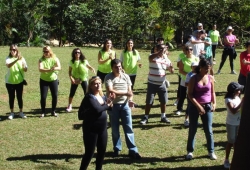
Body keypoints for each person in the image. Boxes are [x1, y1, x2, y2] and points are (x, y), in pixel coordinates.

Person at [105, 59, 141, 159]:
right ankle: (117, 149)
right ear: (112, 67)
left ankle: (133, 150)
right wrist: (125, 94)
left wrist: (130, 100)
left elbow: (130, 91)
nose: (118, 68)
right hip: (114, 106)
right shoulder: (109, 77)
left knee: (128, 128)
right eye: (116, 67)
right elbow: (110, 90)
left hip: (125, 106)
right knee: (115, 129)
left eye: (120, 66)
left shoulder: (126, 76)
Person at [79, 76, 113, 170]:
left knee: (102, 151)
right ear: (91, 86)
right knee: (90, 153)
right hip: (91, 129)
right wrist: (107, 105)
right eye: (95, 84)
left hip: (102, 129)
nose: (98, 86)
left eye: (99, 83)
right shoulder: (89, 97)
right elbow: (97, 109)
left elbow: (109, 108)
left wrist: (110, 102)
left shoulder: (102, 96)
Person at [186, 59, 217, 160]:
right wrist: (198, 106)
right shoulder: (193, 78)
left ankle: (211, 151)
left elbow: (212, 92)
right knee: (193, 129)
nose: (207, 70)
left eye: (209, 68)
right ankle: (190, 151)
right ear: (200, 67)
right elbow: (189, 94)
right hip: (194, 107)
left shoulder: (210, 78)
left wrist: (214, 103)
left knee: (208, 130)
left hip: (207, 106)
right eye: (205, 68)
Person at [140, 44, 174, 125]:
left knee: (163, 101)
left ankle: (163, 116)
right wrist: (159, 52)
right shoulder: (152, 56)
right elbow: (150, 58)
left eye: (163, 49)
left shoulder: (166, 59)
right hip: (152, 84)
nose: (162, 50)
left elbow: (171, 71)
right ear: (156, 49)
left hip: (162, 84)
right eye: (160, 49)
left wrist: (171, 68)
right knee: (149, 101)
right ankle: (146, 117)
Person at [66, 48, 95, 112]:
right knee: (72, 92)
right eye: (75, 52)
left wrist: (92, 68)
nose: (77, 54)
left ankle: (87, 105)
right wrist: (71, 78)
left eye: (78, 52)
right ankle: (69, 105)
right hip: (75, 78)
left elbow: (88, 66)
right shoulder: (72, 62)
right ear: (73, 54)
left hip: (83, 78)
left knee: (86, 92)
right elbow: (70, 71)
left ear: (80, 53)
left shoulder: (84, 60)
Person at [223, 82, 244, 169]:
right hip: (231, 124)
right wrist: (242, 102)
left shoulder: (237, 97)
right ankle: (226, 159)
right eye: (238, 90)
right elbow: (234, 111)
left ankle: (236, 159)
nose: (240, 91)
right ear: (234, 91)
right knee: (231, 142)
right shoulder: (228, 100)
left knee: (237, 142)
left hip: (239, 123)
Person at [5, 44, 28, 120]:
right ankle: (12, 113)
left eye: (14, 50)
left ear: (17, 50)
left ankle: (21, 112)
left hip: (19, 82)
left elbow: (25, 69)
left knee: (19, 97)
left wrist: (25, 68)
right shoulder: (8, 58)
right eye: (11, 50)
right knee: (11, 97)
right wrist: (16, 60)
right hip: (10, 82)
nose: (12, 51)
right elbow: (8, 65)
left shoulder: (22, 58)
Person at [38, 46, 61, 118]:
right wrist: (50, 70)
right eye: (44, 52)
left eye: (47, 51)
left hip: (53, 80)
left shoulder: (55, 58)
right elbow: (41, 69)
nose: (45, 53)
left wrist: (54, 68)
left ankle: (53, 111)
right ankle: (43, 112)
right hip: (43, 80)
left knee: (54, 96)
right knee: (43, 97)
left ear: (50, 51)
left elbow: (59, 67)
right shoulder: (41, 60)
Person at [176, 46, 199, 116]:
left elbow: (199, 69)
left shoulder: (196, 58)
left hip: (195, 79)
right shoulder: (182, 60)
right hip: (184, 79)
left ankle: (192, 109)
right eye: (187, 49)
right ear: (185, 51)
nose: (189, 50)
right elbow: (180, 71)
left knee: (193, 94)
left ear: (192, 50)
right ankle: (179, 109)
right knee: (182, 95)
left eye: (191, 49)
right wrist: (189, 75)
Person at [184, 61, 199, 127]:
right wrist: (193, 83)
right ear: (191, 67)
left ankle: (195, 120)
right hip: (190, 93)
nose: (195, 67)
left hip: (198, 93)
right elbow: (186, 83)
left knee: (197, 106)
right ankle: (186, 120)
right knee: (189, 106)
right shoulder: (189, 74)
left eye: (196, 66)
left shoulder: (199, 74)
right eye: (194, 66)